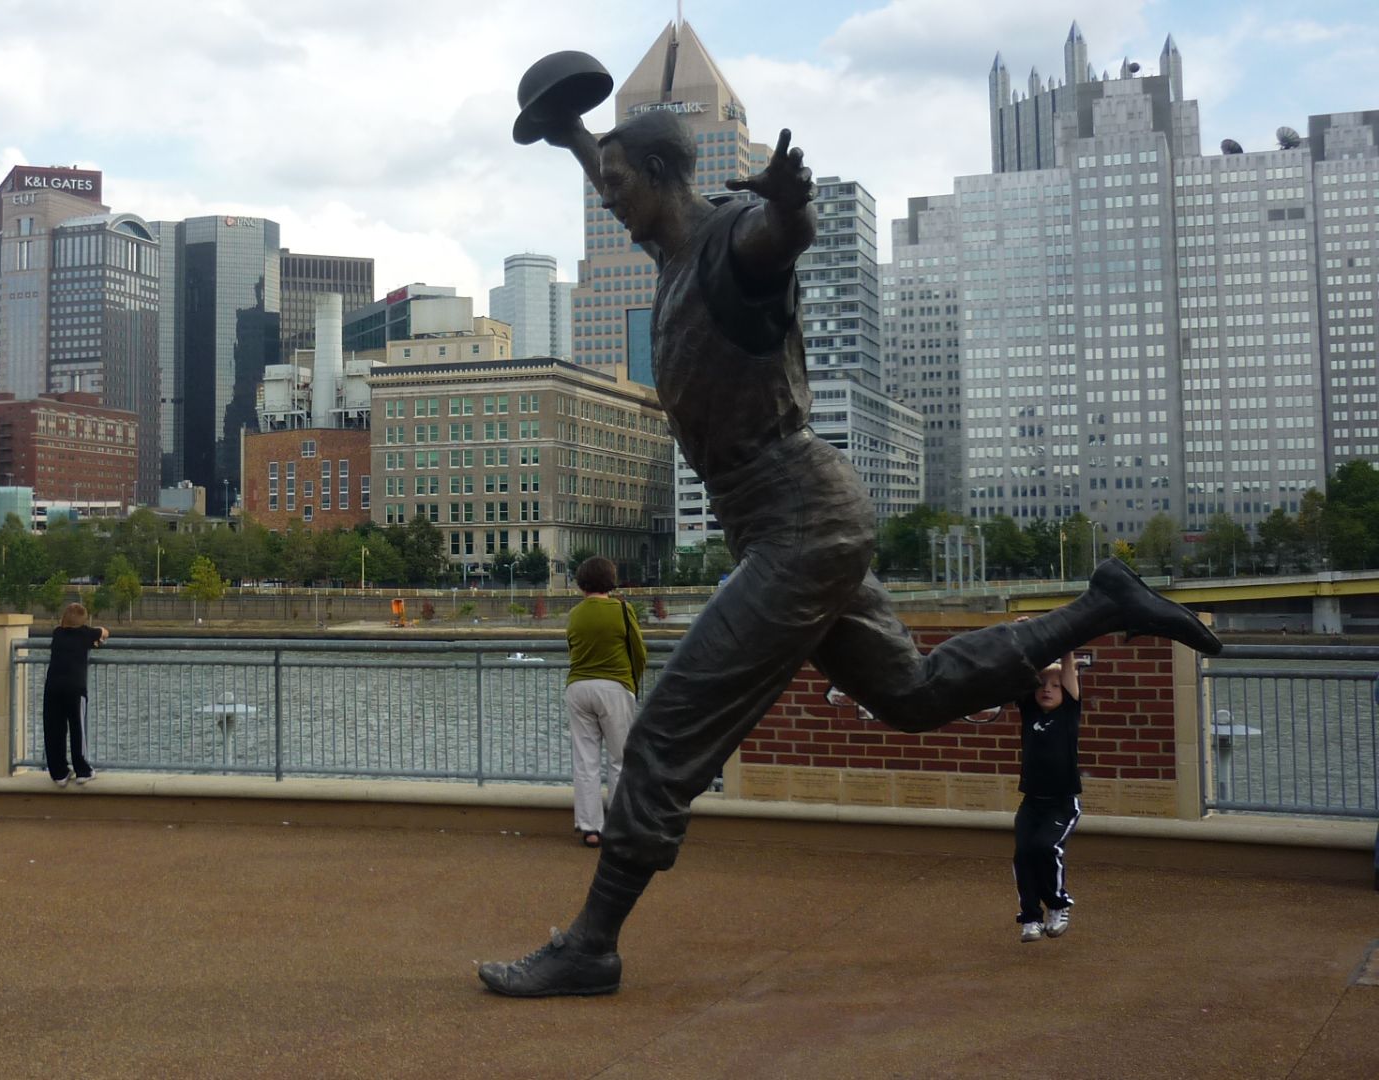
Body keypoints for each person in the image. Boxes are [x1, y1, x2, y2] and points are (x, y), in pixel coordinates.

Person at [477, 106, 1223, 998]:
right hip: (792, 523)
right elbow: (605, 161)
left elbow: (778, 238)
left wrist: (794, 210)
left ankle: (593, 943)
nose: (610, 200)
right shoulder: (669, 257)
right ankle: (1102, 603)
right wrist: (570, 132)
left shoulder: (730, 246)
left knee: (667, 729)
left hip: (800, 520)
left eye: (620, 184)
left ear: (665, 176)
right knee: (910, 693)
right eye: (605, 185)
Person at [565, 556, 647, 849]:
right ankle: (619, 825)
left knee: (585, 761)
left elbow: (572, 649)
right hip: (614, 687)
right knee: (620, 759)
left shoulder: (575, 614)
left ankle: (590, 828)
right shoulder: (623, 610)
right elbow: (639, 652)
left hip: (578, 687)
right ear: (610, 580)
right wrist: (633, 683)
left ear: (582, 582)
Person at [1012, 626, 1083, 943]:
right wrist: (1021, 634)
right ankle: (1030, 918)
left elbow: (1067, 673)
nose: (1047, 689)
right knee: (1024, 854)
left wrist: (1065, 647)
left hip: (1062, 802)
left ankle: (1057, 905)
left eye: (1054, 685)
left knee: (1046, 847)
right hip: (1031, 802)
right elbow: (1020, 672)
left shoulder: (1068, 712)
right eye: (1042, 684)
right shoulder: (1028, 710)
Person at [44, 602, 109, 788]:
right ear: (83, 621)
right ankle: (82, 770)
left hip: (52, 688)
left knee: (53, 730)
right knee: (77, 728)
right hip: (74, 689)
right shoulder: (86, 634)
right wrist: (97, 640)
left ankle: (59, 773)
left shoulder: (57, 633)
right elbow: (104, 632)